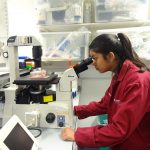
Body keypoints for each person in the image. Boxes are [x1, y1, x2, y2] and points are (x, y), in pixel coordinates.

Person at [61, 33, 150, 150]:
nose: (92, 63)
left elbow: (119, 129)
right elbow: (104, 105)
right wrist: (74, 111)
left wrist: (77, 135)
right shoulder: (120, 74)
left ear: (110, 56)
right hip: (121, 143)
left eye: (95, 58)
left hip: (134, 145)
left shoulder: (137, 83)